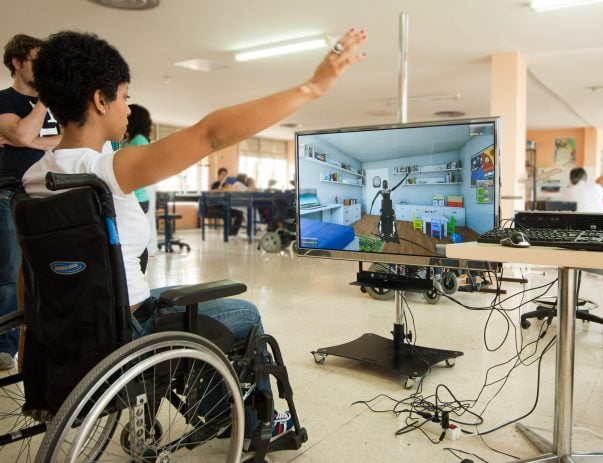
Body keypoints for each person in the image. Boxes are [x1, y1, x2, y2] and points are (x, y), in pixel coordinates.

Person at [22, 29, 365, 443]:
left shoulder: (36, 177)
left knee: (186, 298)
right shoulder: (105, 171)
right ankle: (251, 424)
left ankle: (216, 408)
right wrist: (312, 86)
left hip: (71, 326)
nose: (128, 109)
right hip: (127, 328)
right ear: (100, 100)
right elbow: (210, 135)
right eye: (125, 97)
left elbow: (34, 273)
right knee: (245, 314)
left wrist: (34, 342)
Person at [0, 34, 61, 370]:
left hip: (52, 193)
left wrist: (27, 138)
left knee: (53, 269)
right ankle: (2, 346)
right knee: (11, 271)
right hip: (12, 193)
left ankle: (45, 338)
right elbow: (19, 135)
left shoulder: (61, 105)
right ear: (16, 62)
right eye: (35, 60)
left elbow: (70, 140)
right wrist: (41, 108)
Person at [120, 104, 152, 213]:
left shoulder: (140, 140)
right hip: (126, 196)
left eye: (127, 115)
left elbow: (144, 169)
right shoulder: (125, 141)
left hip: (138, 198)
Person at [211, 167, 244, 235]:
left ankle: (234, 232)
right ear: (219, 175)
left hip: (227, 205)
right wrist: (222, 188)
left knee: (240, 214)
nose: (225, 177)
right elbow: (212, 192)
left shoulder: (229, 185)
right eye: (223, 175)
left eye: (226, 175)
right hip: (218, 206)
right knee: (226, 213)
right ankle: (227, 232)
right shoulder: (215, 184)